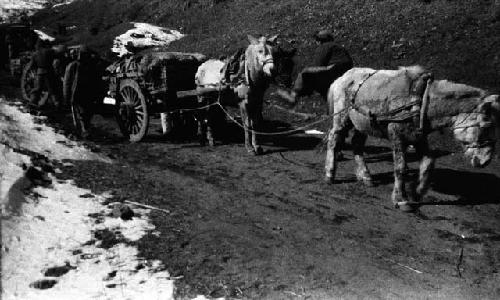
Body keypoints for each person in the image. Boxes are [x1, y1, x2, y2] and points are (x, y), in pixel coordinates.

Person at [277, 29, 353, 104]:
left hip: (334, 68)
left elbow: (318, 64)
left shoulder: (324, 46)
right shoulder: (338, 46)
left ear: (320, 40)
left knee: (305, 72)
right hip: (347, 69)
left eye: (317, 40)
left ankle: (293, 95)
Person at [63, 45, 103, 138]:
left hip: (87, 92)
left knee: (87, 112)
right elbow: (67, 83)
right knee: (82, 112)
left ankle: (85, 129)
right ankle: (84, 130)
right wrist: (66, 97)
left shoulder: (91, 65)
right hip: (78, 92)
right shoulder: (73, 66)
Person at [29, 39, 61, 110]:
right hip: (50, 72)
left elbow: (32, 66)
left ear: (38, 45)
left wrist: (35, 73)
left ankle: (32, 103)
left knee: (37, 89)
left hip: (40, 72)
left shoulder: (35, 54)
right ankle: (57, 104)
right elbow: (58, 55)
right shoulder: (50, 51)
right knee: (52, 89)